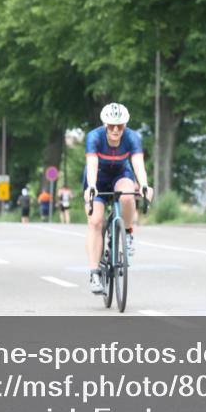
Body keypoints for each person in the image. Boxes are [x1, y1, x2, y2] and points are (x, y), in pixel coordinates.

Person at [83, 103, 154, 294]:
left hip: (121, 174)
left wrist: (145, 185)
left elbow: (138, 164)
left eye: (120, 125)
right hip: (97, 177)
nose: (116, 129)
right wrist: (90, 186)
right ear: (105, 124)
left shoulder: (132, 137)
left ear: (125, 124)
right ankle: (94, 274)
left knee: (128, 197)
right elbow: (91, 164)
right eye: (112, 125)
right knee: (95, 221)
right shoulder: (94, 137)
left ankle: (128, 233)